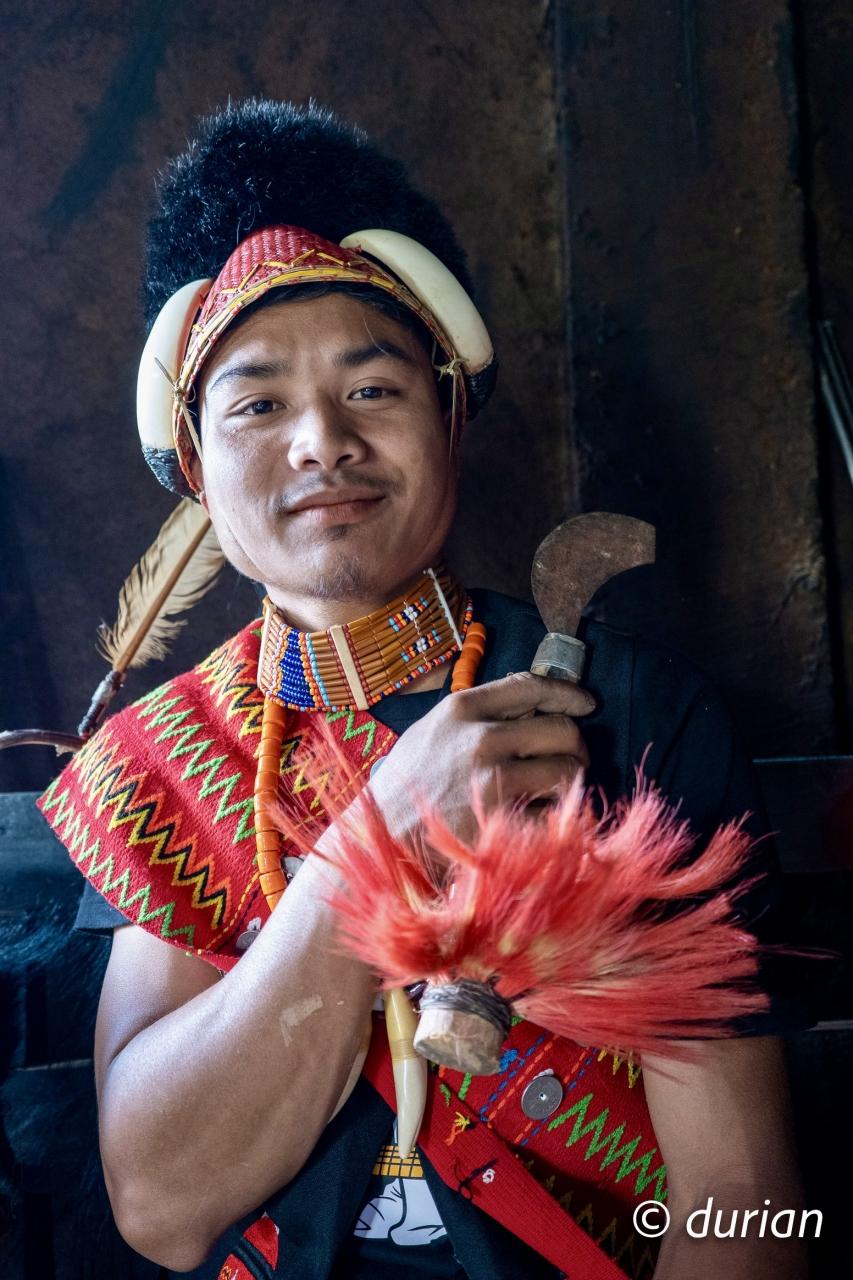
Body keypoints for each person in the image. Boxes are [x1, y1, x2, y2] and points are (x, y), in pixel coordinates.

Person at [38, 99, 807, 1280]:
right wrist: (382, 836)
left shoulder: (632, 709)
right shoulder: (158, 763)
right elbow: (161, 1204)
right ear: (193, 465)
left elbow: (740, 1200)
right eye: (257, 404)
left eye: (373, 388)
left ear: (449, 418)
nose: (321, 441)